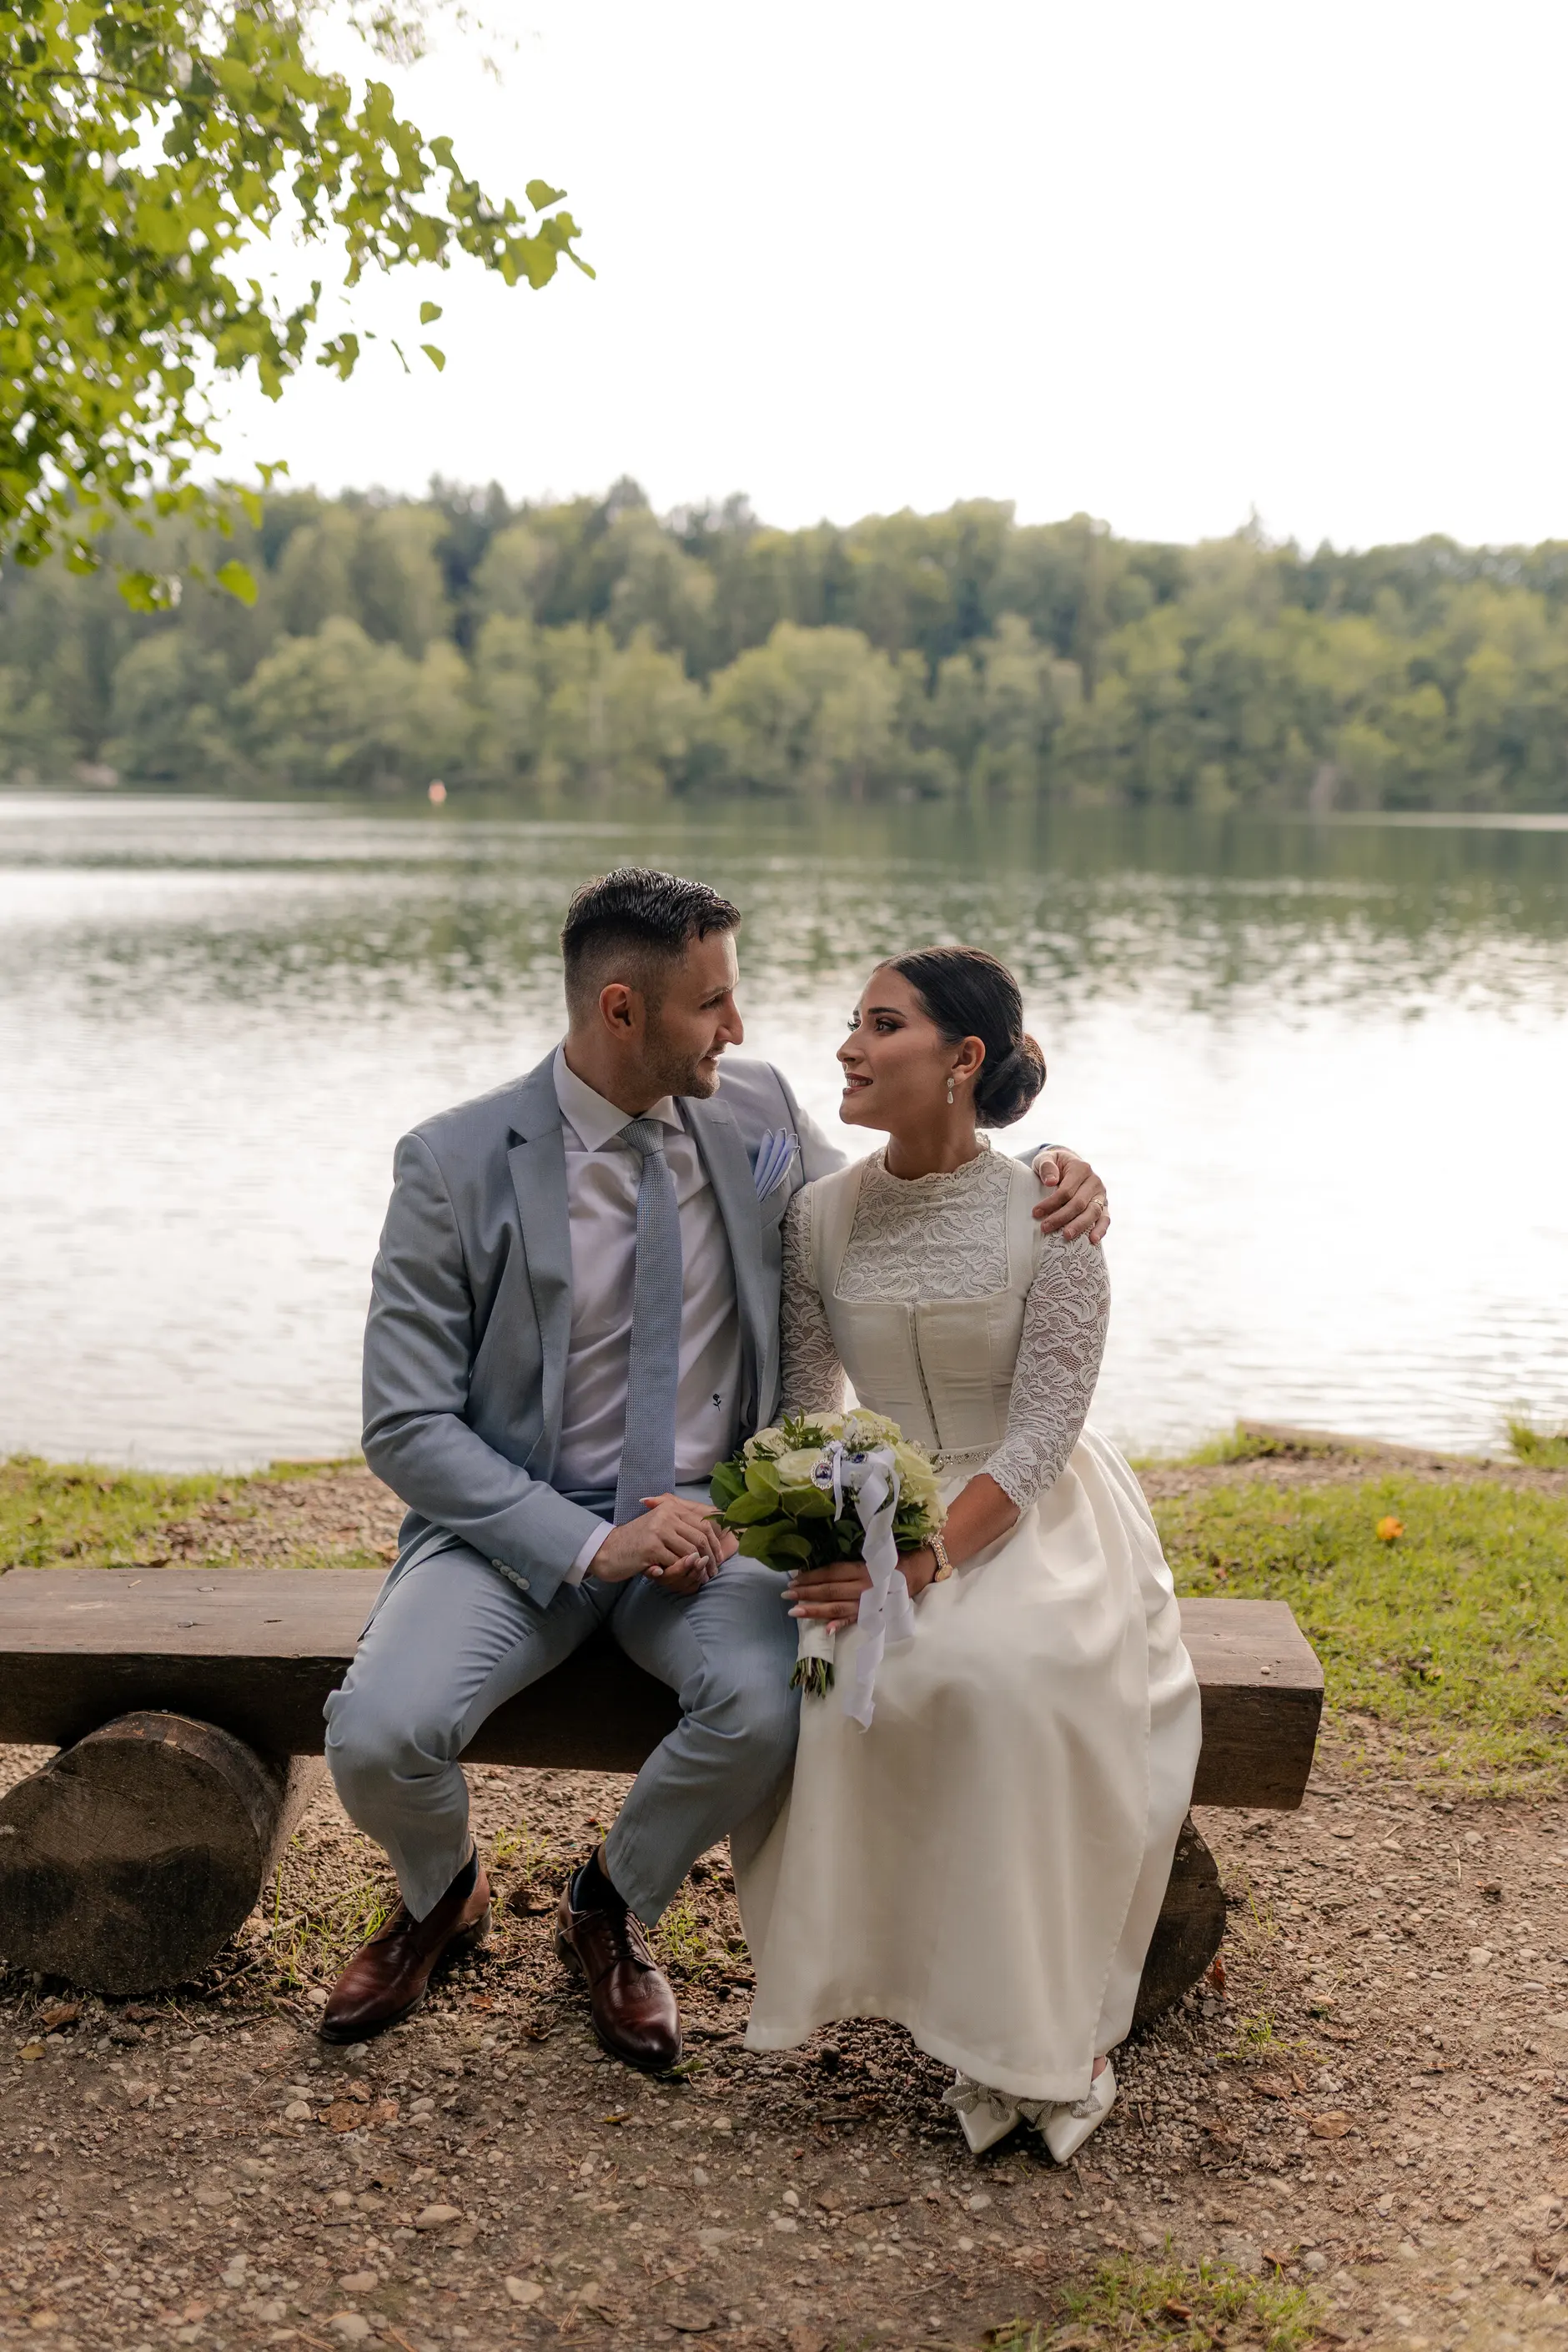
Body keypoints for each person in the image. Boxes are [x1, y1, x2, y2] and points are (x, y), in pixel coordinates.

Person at [319, 871, 1112, 2062]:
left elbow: (918, 1181)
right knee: (376, 1734)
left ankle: (609, 1905)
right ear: (623, 1010)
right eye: (715, 1004)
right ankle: (443, 1891)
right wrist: (589, 1542)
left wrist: (1052, 1156)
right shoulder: (453, 1162)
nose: (741, 1030)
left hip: (712, 1530)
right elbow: (404, 1425)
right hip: (510, 1535)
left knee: (768, 1708)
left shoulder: (753, 1114)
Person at [736, 945, 1200, 2160]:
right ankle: (908, 1988)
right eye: (851, 1020)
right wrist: (827, 1525)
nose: (848, 1044)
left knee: (1003, 1685)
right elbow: (800, 1399)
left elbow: (1049, 1429)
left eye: (882, 1024)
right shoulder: (817, 1217)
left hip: (1032, 1515)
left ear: (963, 1059)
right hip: (876, 1505)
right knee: (839, 1679)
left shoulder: (1051, 1207)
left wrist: (927, 1560)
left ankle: (1038, 2025)